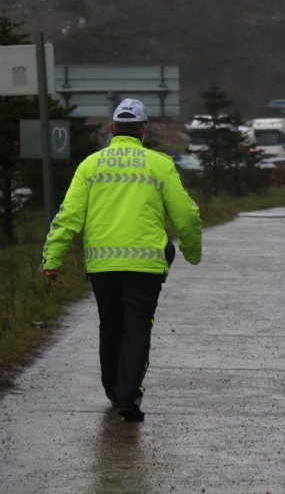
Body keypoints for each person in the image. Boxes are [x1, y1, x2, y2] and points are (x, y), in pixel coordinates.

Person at [42, 99, 202, 422]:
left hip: (102, 268)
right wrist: (192, 252)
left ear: (113, 128)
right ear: (144, 130)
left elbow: (68, 216)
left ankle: (114, 391)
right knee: (137, 329)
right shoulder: (159, 164)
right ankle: (128, 398)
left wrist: (52, 258)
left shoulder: (90, 165)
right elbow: (186, 214)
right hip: (145, 267)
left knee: (110, 327)